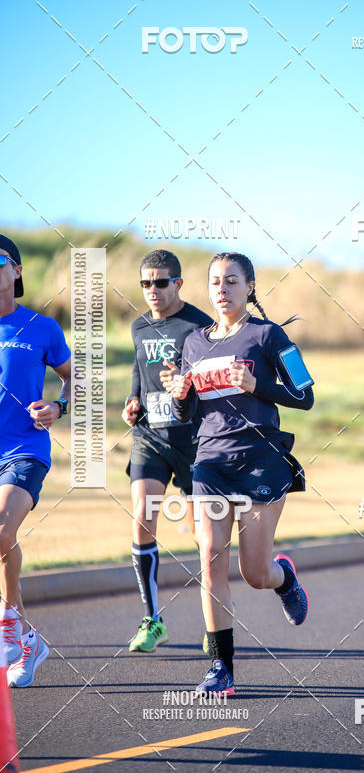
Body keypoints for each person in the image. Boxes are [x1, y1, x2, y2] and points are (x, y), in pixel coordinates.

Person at [164, 252, 314, 694]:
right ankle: (220, 668)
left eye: (232, 281)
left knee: (254, 574)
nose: (222, 289)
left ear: (249, 287)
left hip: (260, 459)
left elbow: (304, 395)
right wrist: (179, 395)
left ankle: (282, 576)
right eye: (215, 282)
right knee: (210, 557)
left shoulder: (268, 335)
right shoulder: (194, 342)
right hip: (210, 461)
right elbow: (188, 412)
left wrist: (256, 386)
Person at [122, 250, 211, 653]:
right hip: (150, 438)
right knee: (142, 518)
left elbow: (214, 385)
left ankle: (216, 622)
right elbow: (138, 377)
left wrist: (187, 384)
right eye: (145, 283)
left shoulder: (200, 326)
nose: (152, 291)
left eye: (160, 282)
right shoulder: (139, 327)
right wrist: (132, 402)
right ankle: (152, 620)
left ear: (178, 284)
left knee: (204, 538)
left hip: (194, 441)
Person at [0, 234, 71, 687]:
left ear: (17, 270)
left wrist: (59, 407)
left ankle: (9, 626)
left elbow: (73, 378)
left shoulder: (42, 328)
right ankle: (25, 636)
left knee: (2, 530)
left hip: (24, 449)